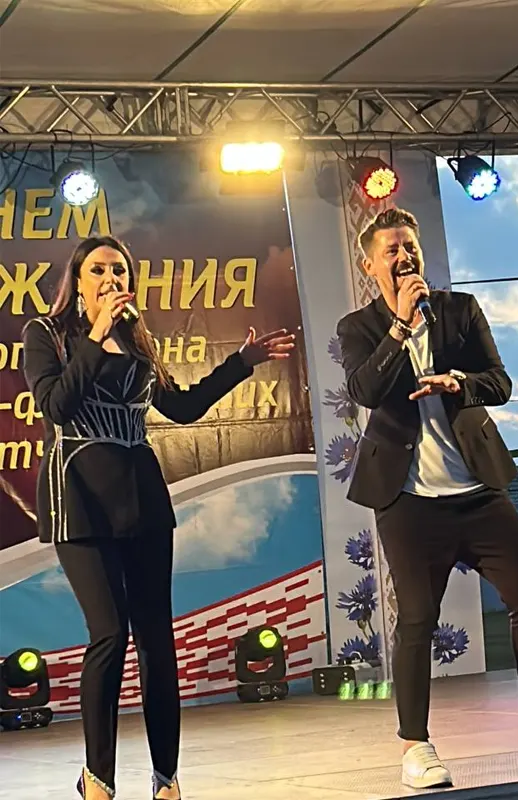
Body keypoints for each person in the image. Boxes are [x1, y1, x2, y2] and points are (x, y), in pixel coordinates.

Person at [21, 237, 294, 800]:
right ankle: (97, 778)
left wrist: (242, 363)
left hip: (141, 497)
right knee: (109, 633)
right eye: (99, 270)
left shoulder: (137, 342)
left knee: (156, 640)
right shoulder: (46, 334)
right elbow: (56, 405)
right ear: (77, 281)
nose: (112, 279)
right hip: (79, 498)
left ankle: (166, 778)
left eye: (120, 271)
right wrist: (96, 334)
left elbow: (184, 407)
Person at [335, 208, 518, 789]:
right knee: (417, 619)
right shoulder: (359, 327)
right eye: (391, 250)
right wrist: (400, 327)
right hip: (409, 499)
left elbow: (501, 382)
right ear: (370, 265)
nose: (404, 256)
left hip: (478, 490)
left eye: (409, 246)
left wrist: (459, 382)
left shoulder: (460, 310)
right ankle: (416, 746)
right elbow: (365, 390)